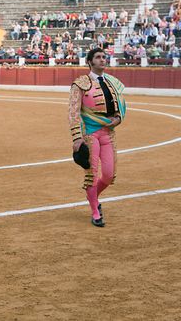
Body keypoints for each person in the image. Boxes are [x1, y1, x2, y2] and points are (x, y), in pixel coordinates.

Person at [68, 48, 127, 227]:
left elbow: (121, 106)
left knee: (109, 175)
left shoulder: (112, 82)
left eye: (104, 57)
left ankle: (92, 196)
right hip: (89, 134)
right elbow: (73, 112)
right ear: (90, 62)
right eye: (98, 57)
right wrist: (77, 138)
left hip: (108, 132)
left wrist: (117, 118)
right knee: (91, 175)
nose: (102, 60)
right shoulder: (80, 84)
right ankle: (95, 211)